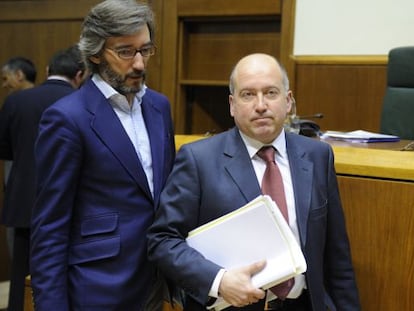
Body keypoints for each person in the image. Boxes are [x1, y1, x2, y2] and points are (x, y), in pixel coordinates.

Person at [147, 53, 361, 311]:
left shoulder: (317, 156)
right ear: (232, 104)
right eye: (248, 95)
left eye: (271, 92)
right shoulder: (198, 160)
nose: (261, 105)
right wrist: (219, 281)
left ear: (288, 101)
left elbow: (337, 257)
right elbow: (163, 240)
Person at [30, 1, 175, 310]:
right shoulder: (67, 118)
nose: (139, 64)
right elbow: (50, 226)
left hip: (155, 280)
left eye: (145, 50)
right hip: (98, 286)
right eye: (125, 52)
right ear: (95, 52)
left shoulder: (159, 107)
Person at [0, 46, 85, 311]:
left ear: (48, 71)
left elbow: (4, 150)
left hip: (24, 199)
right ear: (80, 74)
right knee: (61, 271)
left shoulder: (16, 101)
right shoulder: (83, 104)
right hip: (71, 205)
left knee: (20, 274)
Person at [1, 56, 37, 259]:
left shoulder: (14, 102)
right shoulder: (58, 101)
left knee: (20, 254)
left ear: (19, 75)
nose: (4, 85)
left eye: (6, 79)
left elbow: (3, 147)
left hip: (21, 192)